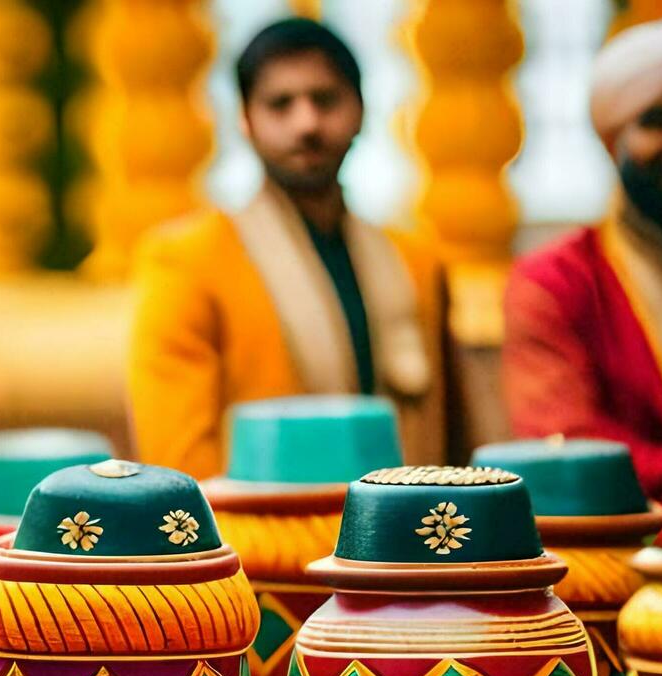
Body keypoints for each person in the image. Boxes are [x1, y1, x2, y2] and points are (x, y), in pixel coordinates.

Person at [128, 18, 450, 480]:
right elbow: (180, 467)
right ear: (245, 120)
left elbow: (450, 438)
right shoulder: (185, 261)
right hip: (260, 542)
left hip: (407, 535)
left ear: (360, 110)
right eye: (280, 104)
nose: (307, 124)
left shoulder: (414, 259)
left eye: (325, 100)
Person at [504, 9, 662, 514]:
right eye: (657, 121)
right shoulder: (554, 281)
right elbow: (569, 454)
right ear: (615, 139)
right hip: (630, 563)